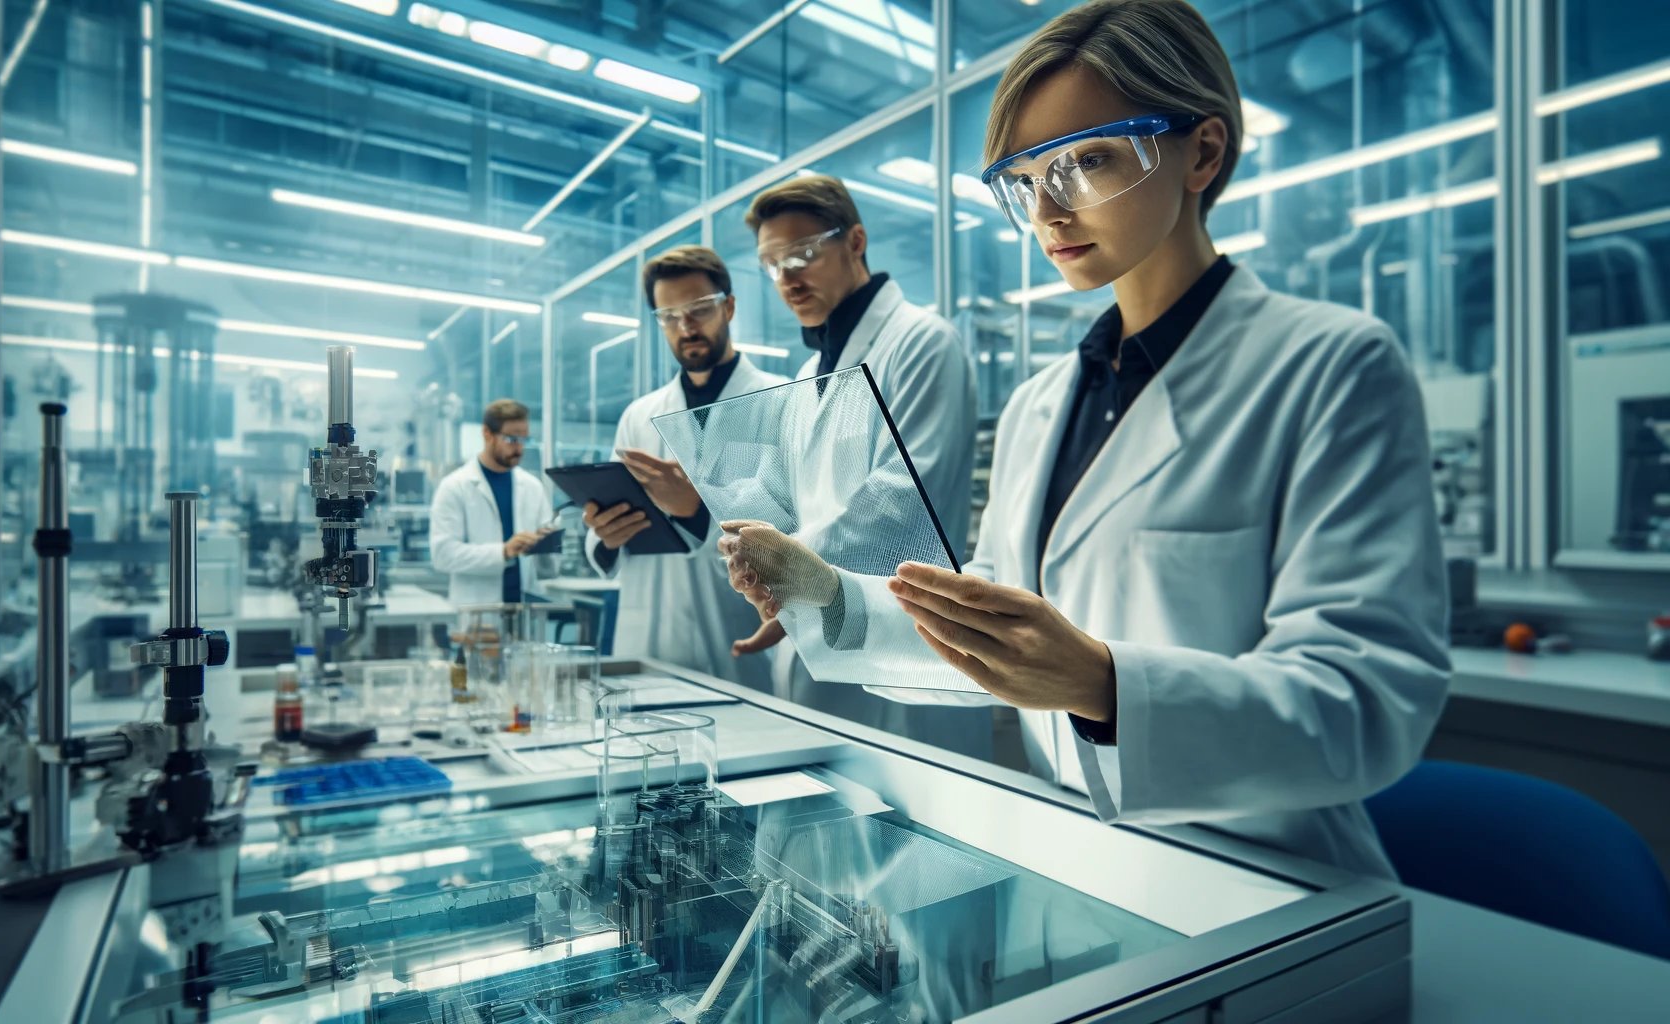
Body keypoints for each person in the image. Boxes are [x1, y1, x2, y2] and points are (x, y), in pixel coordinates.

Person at [722, 0, 1449, 878]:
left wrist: (1102, 686)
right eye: (1026, 180)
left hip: (1270, 875)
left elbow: (1367, 705)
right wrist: (830, 594)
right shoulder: (1040, 403)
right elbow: (988, 621)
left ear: (1203, 152)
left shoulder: (1330, 365)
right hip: (1073, 855)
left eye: (1089, 161)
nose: (1048, 210)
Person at [732, 173, 989, 758]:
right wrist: (759, 551)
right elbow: (793, 501)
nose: (787, 277)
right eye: (772, 265)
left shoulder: (923, 342)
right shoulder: (807, 378)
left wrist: (788, 563)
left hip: (903, 651)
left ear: (855, 241)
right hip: (816, 634)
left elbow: (902, 500)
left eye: (801, 254)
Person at [581, 246, 787, 688]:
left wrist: (695, 512)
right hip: (645, 644)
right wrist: (604, 537)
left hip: (733, 642)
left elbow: (796, 532)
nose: (685, 326)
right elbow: (601, 538)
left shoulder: (781, 402)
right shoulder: (639, 415)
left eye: (698, 309)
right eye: (669, 316)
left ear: (728, 306)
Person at [430, 399, 556, 606]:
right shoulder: (455, 486)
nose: (519, 448)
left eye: (524, 439)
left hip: (524, 611)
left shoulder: (532, 487)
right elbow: (443, 555)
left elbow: (546, 566)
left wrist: (547, 545)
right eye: (511, 439)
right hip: (476, 612)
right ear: (487, 434)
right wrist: (503, 552)